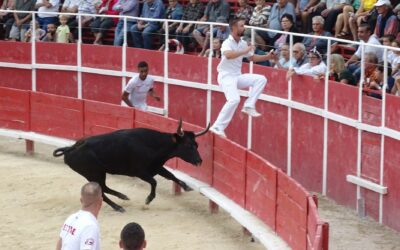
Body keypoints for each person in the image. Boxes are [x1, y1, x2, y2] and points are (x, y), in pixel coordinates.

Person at [209, 18, 272, 137]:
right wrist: (245, 51)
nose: (244, 28)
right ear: (234, 28)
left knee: (261, 79)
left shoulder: (243, 43)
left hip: (236, 76)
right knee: (234, 99)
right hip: (225, 76)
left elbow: (252, 58)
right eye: (241, 26)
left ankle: (249, 105)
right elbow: (228, 55)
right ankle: (217, 126)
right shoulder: (227, 42)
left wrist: (268, 56)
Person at [55, 182, 103, 250]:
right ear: (101, 201)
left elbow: (59, 245)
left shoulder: (71, 218)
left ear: (81, 200)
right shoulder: (90, 226)